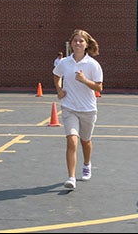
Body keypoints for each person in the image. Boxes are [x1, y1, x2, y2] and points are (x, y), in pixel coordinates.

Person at [53, 29, 103, 190]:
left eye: (81, 41)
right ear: (71, 44)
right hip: (69, 107)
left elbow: (99, 87)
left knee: (85, 141)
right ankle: (71, 177)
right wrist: (59, 90)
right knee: (72, 141)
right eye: (75, 41)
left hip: (88, 109)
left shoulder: (93, 64)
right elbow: (56, 75)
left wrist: (84, 80)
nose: (78, 43)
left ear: (86, 44)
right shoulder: (64, 62)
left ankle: (87, 163)